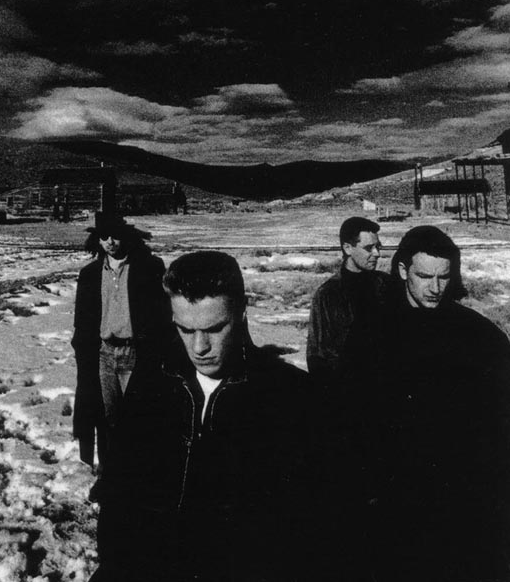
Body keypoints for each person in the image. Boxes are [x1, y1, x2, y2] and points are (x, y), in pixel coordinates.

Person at [92, 250, 326, 582]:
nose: (200, 347)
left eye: (215, 328)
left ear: (243, 307)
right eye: (185, 329)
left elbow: (307, 531)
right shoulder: (151, 386)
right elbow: (118, 497)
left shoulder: (289, 397)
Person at [351, 225, 510, 582]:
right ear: (403, 270)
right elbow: (349, 418)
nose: (435, 288)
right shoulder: (371, 333)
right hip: (393, 501)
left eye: (444, 277)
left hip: (462, 502)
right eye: (424, 276)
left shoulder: (480, 337)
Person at [71, 214, 168, 475]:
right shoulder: (90, 274)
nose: (110, 242)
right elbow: (82, 319)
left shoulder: (149, 268)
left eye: (115, 236)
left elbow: (162, 315)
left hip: (136, 353)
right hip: (104, 354)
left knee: (140, 416)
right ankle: (112, 475)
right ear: (97, 240)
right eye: (104, 237)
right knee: (107, 419)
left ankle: (141, 474)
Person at [306, 216, 397, 376]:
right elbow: (318, 355)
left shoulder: (387, 284)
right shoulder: (328, 294)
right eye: (369, 248)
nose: (377, 254)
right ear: (348, 248)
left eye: (378, 247)